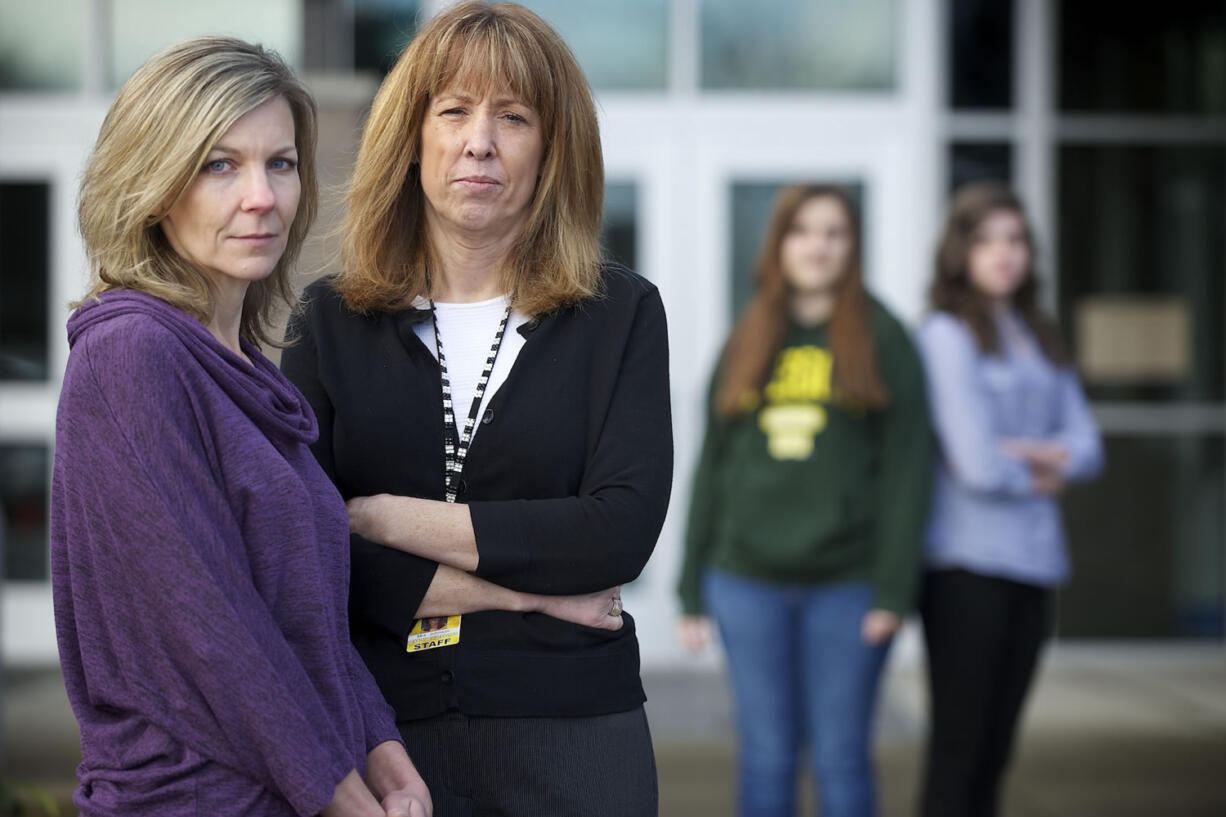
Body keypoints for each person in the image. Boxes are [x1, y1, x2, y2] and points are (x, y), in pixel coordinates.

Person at [279, 3, 672, 815]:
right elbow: (307, 553)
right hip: (385, 739)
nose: (479, 141)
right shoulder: (329, 321)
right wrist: (527, 591)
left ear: (552, 149)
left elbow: (617, 532)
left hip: (574, 734)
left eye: (513, 116)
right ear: (412, 136)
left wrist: (382, 515)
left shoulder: (621, 313)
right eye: (453, 110)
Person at [51, 36, 431, 817]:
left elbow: (307, 615)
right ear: (154, 186)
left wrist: (386, 755)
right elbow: (212, 628)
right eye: (219, 165)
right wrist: (348, 799)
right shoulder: (131, 355)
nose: (261, 196)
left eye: (280, 163)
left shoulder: (252, 375)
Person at [676, 184, 933, 817]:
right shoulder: (750, 335)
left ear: (852, 246)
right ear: (779, 244)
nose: (818, 246)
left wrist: (893, 590)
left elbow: (909, 471)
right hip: (745, 582)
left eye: (834, 232)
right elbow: (713, 465)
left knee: (841, 757)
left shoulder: (882, 337)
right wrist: (690, 586)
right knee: (765, 755)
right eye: (803, 231)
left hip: (847, 586)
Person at [915, 181, 1104, 817]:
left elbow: (1089, 444)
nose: (1004, 254)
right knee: (960, 752)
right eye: (986, 239)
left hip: (1035, 563)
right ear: (959, 252)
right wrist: (1043, 465)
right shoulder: (945, 335)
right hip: (967, 568)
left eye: (1016, 240)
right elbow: (976, 465)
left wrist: (1022, 451)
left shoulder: (1037, 333)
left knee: (997, 752)